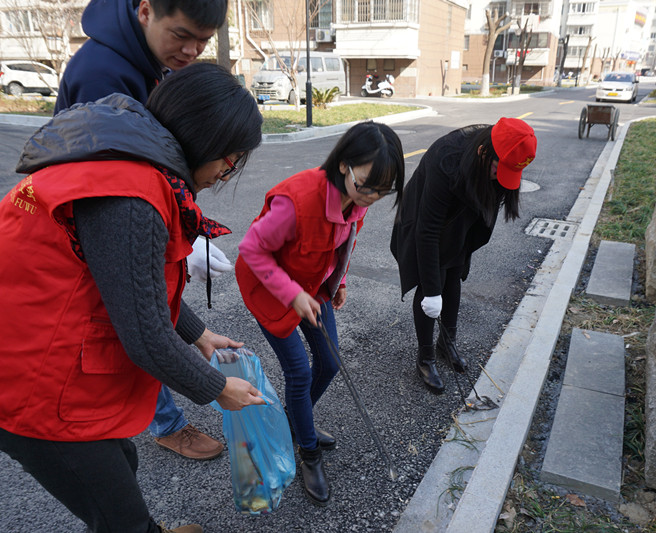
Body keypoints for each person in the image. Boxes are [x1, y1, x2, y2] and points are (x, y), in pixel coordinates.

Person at [0, 64, 265, 533]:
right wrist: (218, 389)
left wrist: (198, 333)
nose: (227, 172)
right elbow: (144, 335)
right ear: (204, 139)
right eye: (231, 159)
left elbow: (129, 284)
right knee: (116, 512)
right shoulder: (129, 194)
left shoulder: (126, 158)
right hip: (23, 374)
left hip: (23, 341)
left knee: (121, 458)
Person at [55, 0, 232, 460]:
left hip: (120, 225)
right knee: (123, 331)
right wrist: (218, 389)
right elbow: (140, 317)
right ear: (146, 11)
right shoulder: (102, 76)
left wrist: (197, 332)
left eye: (204, 41)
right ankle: (166, 423)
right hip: (87, 237)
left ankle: (146, 418)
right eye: (182, 35)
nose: (192, 51)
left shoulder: (155, 60)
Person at [234, 122, 405, 505]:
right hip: (270, 288)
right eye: (367, 186)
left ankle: (296, 423)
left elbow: (344, 242)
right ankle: (308, 452)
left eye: (383, 191)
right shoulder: (297, 200)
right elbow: (251, 249)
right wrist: (292, 294)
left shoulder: (357, 199)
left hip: (313, 285)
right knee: (298, 372)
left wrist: (338, 281)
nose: (372, 197)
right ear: (344, 165)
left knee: (328, 362)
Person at [390, 118, 537, 394]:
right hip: (425, 218)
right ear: (483, 152)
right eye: (497, 170)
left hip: (460, 216)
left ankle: (447, 344)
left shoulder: (492, 158)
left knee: (454, 272)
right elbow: (428, 230)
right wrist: (432, 293)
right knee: (432, 278)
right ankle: (425, 358)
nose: (500, 179)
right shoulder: (447, 158)